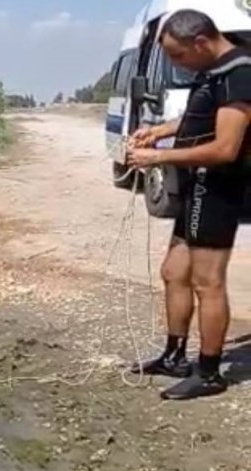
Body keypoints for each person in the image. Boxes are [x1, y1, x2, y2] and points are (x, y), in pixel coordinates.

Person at [127, 9, 251, 400]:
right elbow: (201, 118)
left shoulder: (239, 74)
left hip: (219, 188)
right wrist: (159, 132)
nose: (176, 64)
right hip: (197, 186)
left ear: (200, 42)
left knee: (206, 281)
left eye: (178, 57)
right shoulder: (213, 67)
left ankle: (211, 372)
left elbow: (226, 149)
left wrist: (157, 159)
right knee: (173, 271)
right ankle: (175, 356)